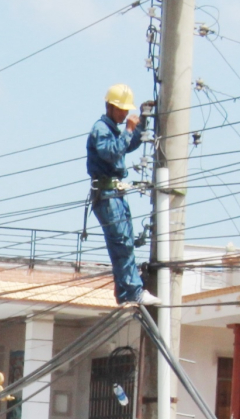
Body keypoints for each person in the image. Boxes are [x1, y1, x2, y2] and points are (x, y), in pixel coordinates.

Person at [86, 84, 161, 306]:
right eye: (121, 110)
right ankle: (133, 292)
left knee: (125, 242)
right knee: (122, 243)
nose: (125, 114)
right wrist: (129, 130)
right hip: (107, 194)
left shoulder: (112, 129)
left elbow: (127, 146)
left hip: (115, 194)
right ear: (110, 106)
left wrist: (142, 123)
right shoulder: (100, 128)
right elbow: (111, 152)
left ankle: (125, 293)